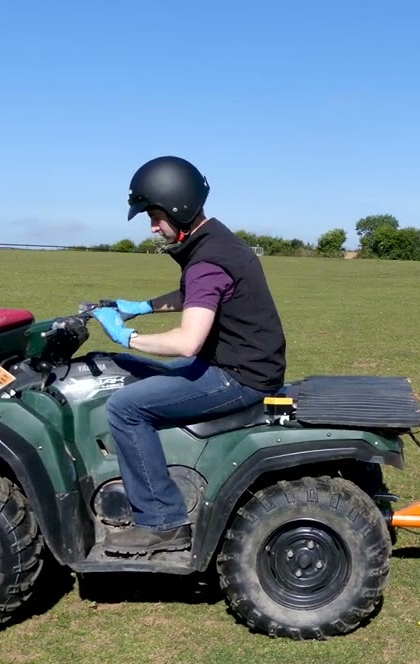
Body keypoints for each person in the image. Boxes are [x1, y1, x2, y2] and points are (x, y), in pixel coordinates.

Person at [89, 155, 287, 556]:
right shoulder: (217, 241)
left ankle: (162, 522)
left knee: (124, 408)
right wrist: (143, 305)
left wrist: (126, 336)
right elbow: (199, 297)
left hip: (240, 376)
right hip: (242, 361)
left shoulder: (207, 260)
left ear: (178, 205)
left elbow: (187, 342)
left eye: (154, 215)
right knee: (142, 375)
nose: (152, 226)